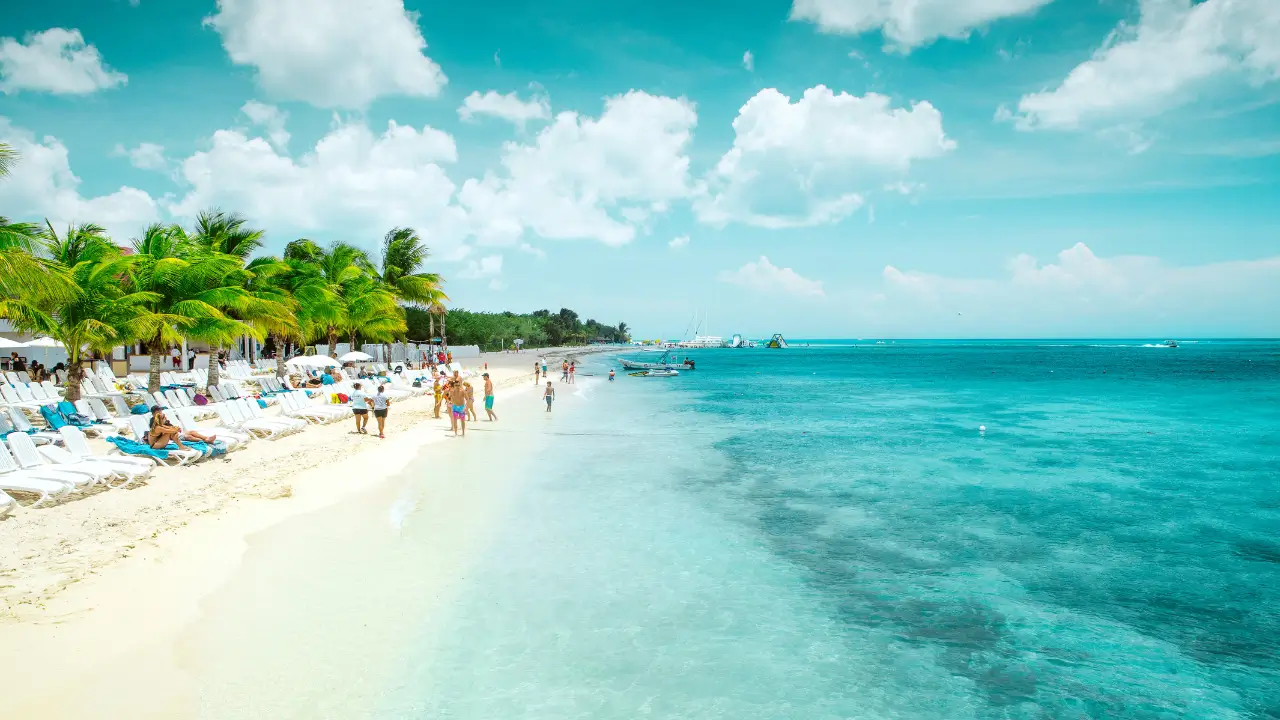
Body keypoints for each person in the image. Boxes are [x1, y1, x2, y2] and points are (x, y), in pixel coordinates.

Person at [148, 406, 215, 449]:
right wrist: (176, 429)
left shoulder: (160, 424)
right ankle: (182, 446)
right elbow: (169, 431)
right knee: (174, 434)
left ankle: (206, 438)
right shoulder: (157, 426)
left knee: (191, 432)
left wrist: (175, 428)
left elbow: (168, 428)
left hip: (160, 441)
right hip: (155, 445)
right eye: (164, 418)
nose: (165, 419)